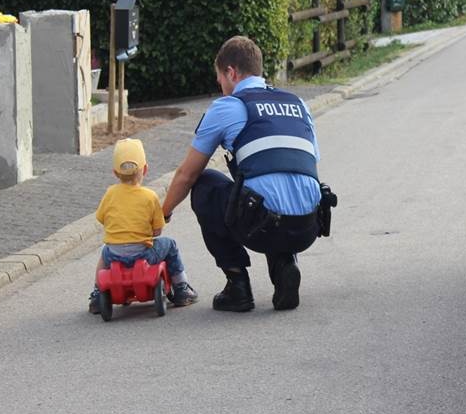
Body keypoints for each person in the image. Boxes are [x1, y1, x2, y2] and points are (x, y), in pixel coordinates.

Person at [162, 36, 325, 312]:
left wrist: (162, 213)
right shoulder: (298, 104)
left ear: (231, 72)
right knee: (273, 181)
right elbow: (305, 163)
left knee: (205, 184)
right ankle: (285, 265)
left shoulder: (229, 107)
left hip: (262, 227)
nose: (220, 86)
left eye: (220, 79)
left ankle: (237, 285)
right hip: (308, 226)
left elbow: (186, 176)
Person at [88, 138, 198, 313]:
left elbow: (101, 218)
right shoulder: (149, 196)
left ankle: (96, 294)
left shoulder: (110, 194)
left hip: (114, 254)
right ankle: (181, 287)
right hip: (143, 253)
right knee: (170, 245)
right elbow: (157, 230)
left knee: (103, 253)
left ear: (115, 173)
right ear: (145, 169)